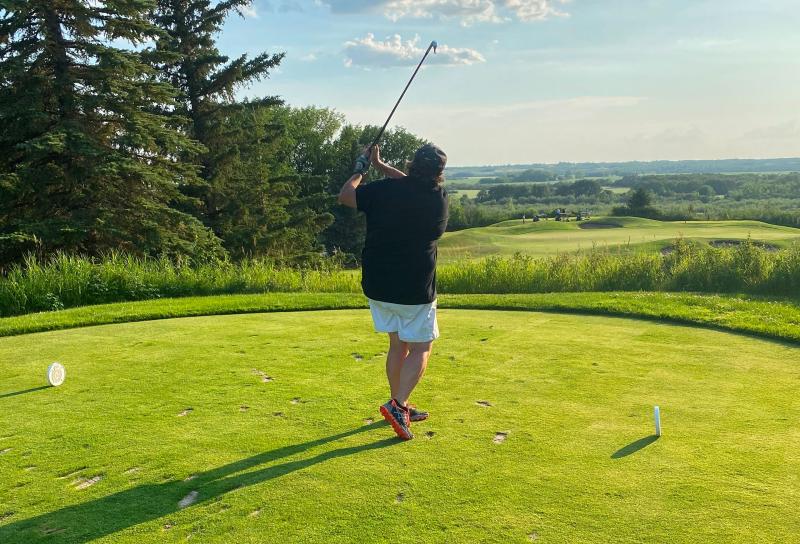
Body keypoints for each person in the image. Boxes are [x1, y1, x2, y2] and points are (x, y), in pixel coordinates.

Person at [337, 143, 449, 440]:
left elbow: (346, 195)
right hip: (414, 288)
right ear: (439, 174)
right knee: (422, 347)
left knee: (398, 346)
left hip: (379, 285)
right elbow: (411, 186)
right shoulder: (437, 198)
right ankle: (398, 405)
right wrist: (381, 163)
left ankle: (399, 403)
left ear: (411, 165)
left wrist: (362, 169)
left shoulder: (384, 191)